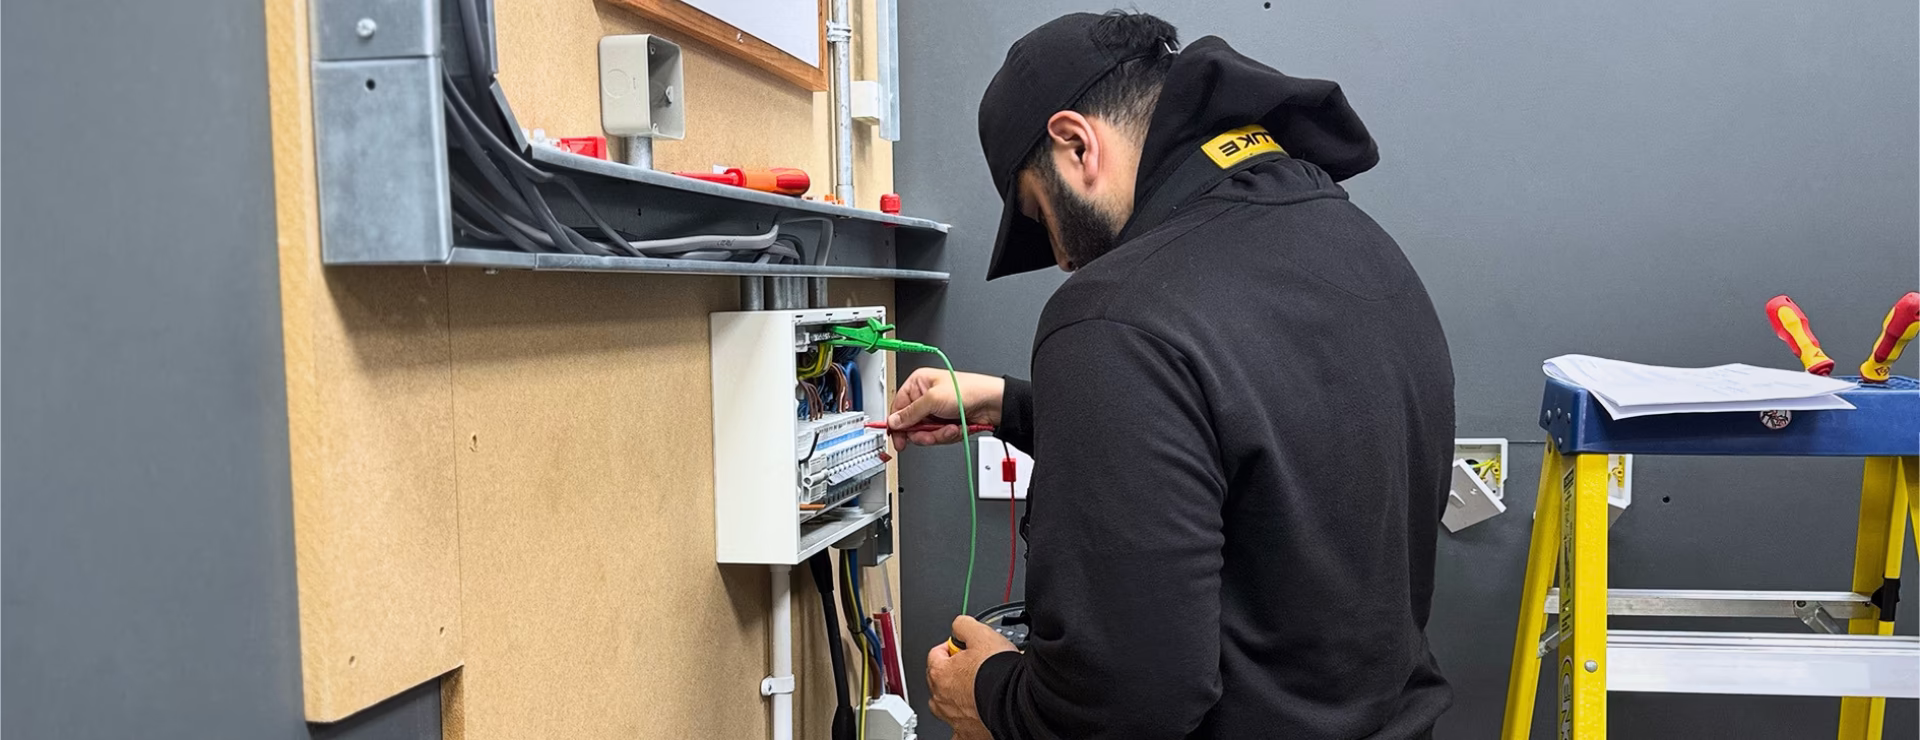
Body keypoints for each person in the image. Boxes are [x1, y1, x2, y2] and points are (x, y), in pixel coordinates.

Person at [889, 10, 1455, 740]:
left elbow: (1127, 702)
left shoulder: (1112, 316)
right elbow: (1272, 446)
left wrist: (990, 692)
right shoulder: (1357, 242)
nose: (1061, 255)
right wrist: (1021, 407)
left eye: (1040, 212)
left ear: (1075, 142)